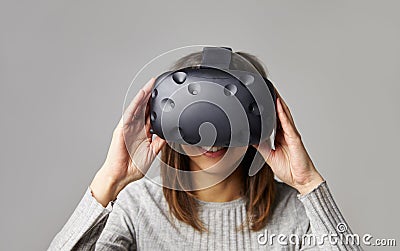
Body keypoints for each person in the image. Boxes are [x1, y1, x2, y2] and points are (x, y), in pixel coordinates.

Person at [48, 51, 363, 250]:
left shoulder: (296, 213)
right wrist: (110, 180)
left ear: (260, 119)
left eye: (228, 120)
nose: (210, 140)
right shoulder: (137, 208)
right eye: (195, 119)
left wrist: (308, 183)